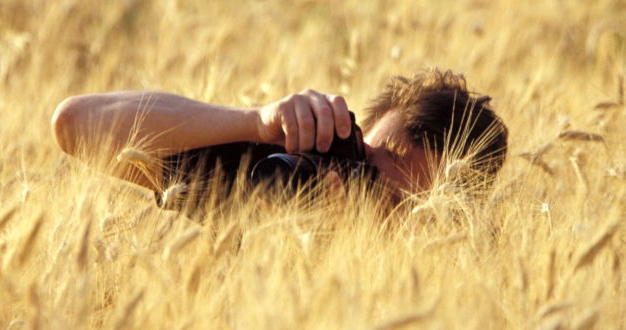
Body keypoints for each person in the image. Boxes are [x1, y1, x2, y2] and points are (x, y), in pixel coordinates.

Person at [52, 68, 508, 210]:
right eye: (365, 162)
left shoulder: (451, 299)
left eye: (396, 203)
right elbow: (77, 124)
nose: (362, 190)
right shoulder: (282, 184)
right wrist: (255, 123)